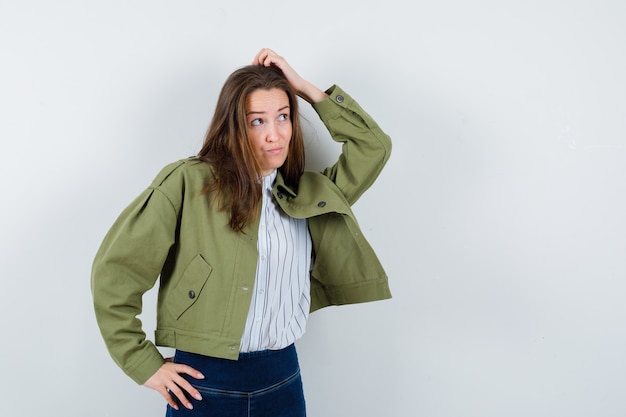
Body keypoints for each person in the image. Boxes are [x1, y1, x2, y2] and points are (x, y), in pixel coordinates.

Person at [91, 48, 392, 416]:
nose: (274, 134)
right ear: (234, 125)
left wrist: (303, 89)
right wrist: (143, 365)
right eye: (257, 122)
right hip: (203, 384)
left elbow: (374, 147)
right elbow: (116, 272)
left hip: (283, 379)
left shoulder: (310, 195)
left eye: (283, 117)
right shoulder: (188, 182)